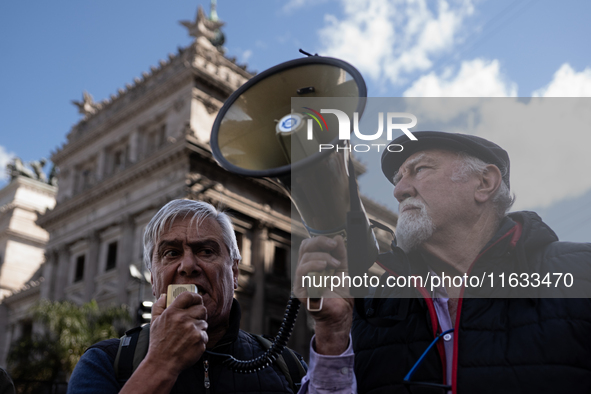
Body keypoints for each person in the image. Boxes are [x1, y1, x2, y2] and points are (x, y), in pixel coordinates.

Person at [295, 131, 591, 393]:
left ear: (484, 182)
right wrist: (333, 337)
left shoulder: (582, 271)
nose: (399, 190)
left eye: (419, 169)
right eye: (398, 179)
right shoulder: (372, 310)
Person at [68, 199, 305, 394]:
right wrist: (160, 365)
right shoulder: (103, 363)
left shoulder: (288, 367)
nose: (188, 265)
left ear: (234, 272)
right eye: (171, 253)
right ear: (152, 278)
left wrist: (331, 333)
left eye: (206, 251)